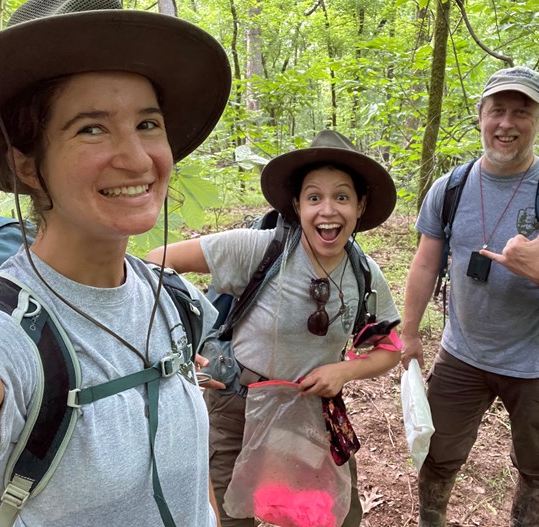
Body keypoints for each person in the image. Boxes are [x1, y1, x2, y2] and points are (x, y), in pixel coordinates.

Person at [0, 1, 232, 525]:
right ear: (28, 166)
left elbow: (192, 482)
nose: (136, 158)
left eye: (148, 123)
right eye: (91, 129)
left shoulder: (173, 300)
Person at [147, 129, 402, 527]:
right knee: (233, 514)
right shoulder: (258, 249)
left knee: (331, 516)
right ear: (298, 205)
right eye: (314, 197)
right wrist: (182, 346)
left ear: (360, 205)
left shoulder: (364, 273)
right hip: (238, 404)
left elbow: (390, 347)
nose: (328, 210)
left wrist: (344, 370)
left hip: (310, 410)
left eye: (342, 197)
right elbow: (157, 261)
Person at [401, 65, 539, 527]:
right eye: (497, 110)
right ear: (480, 116)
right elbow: (424, 263)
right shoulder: (450, 187)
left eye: (522, 112)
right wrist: (409, 334)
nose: (506, 124)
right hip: (461, 356)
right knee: (437, 456)